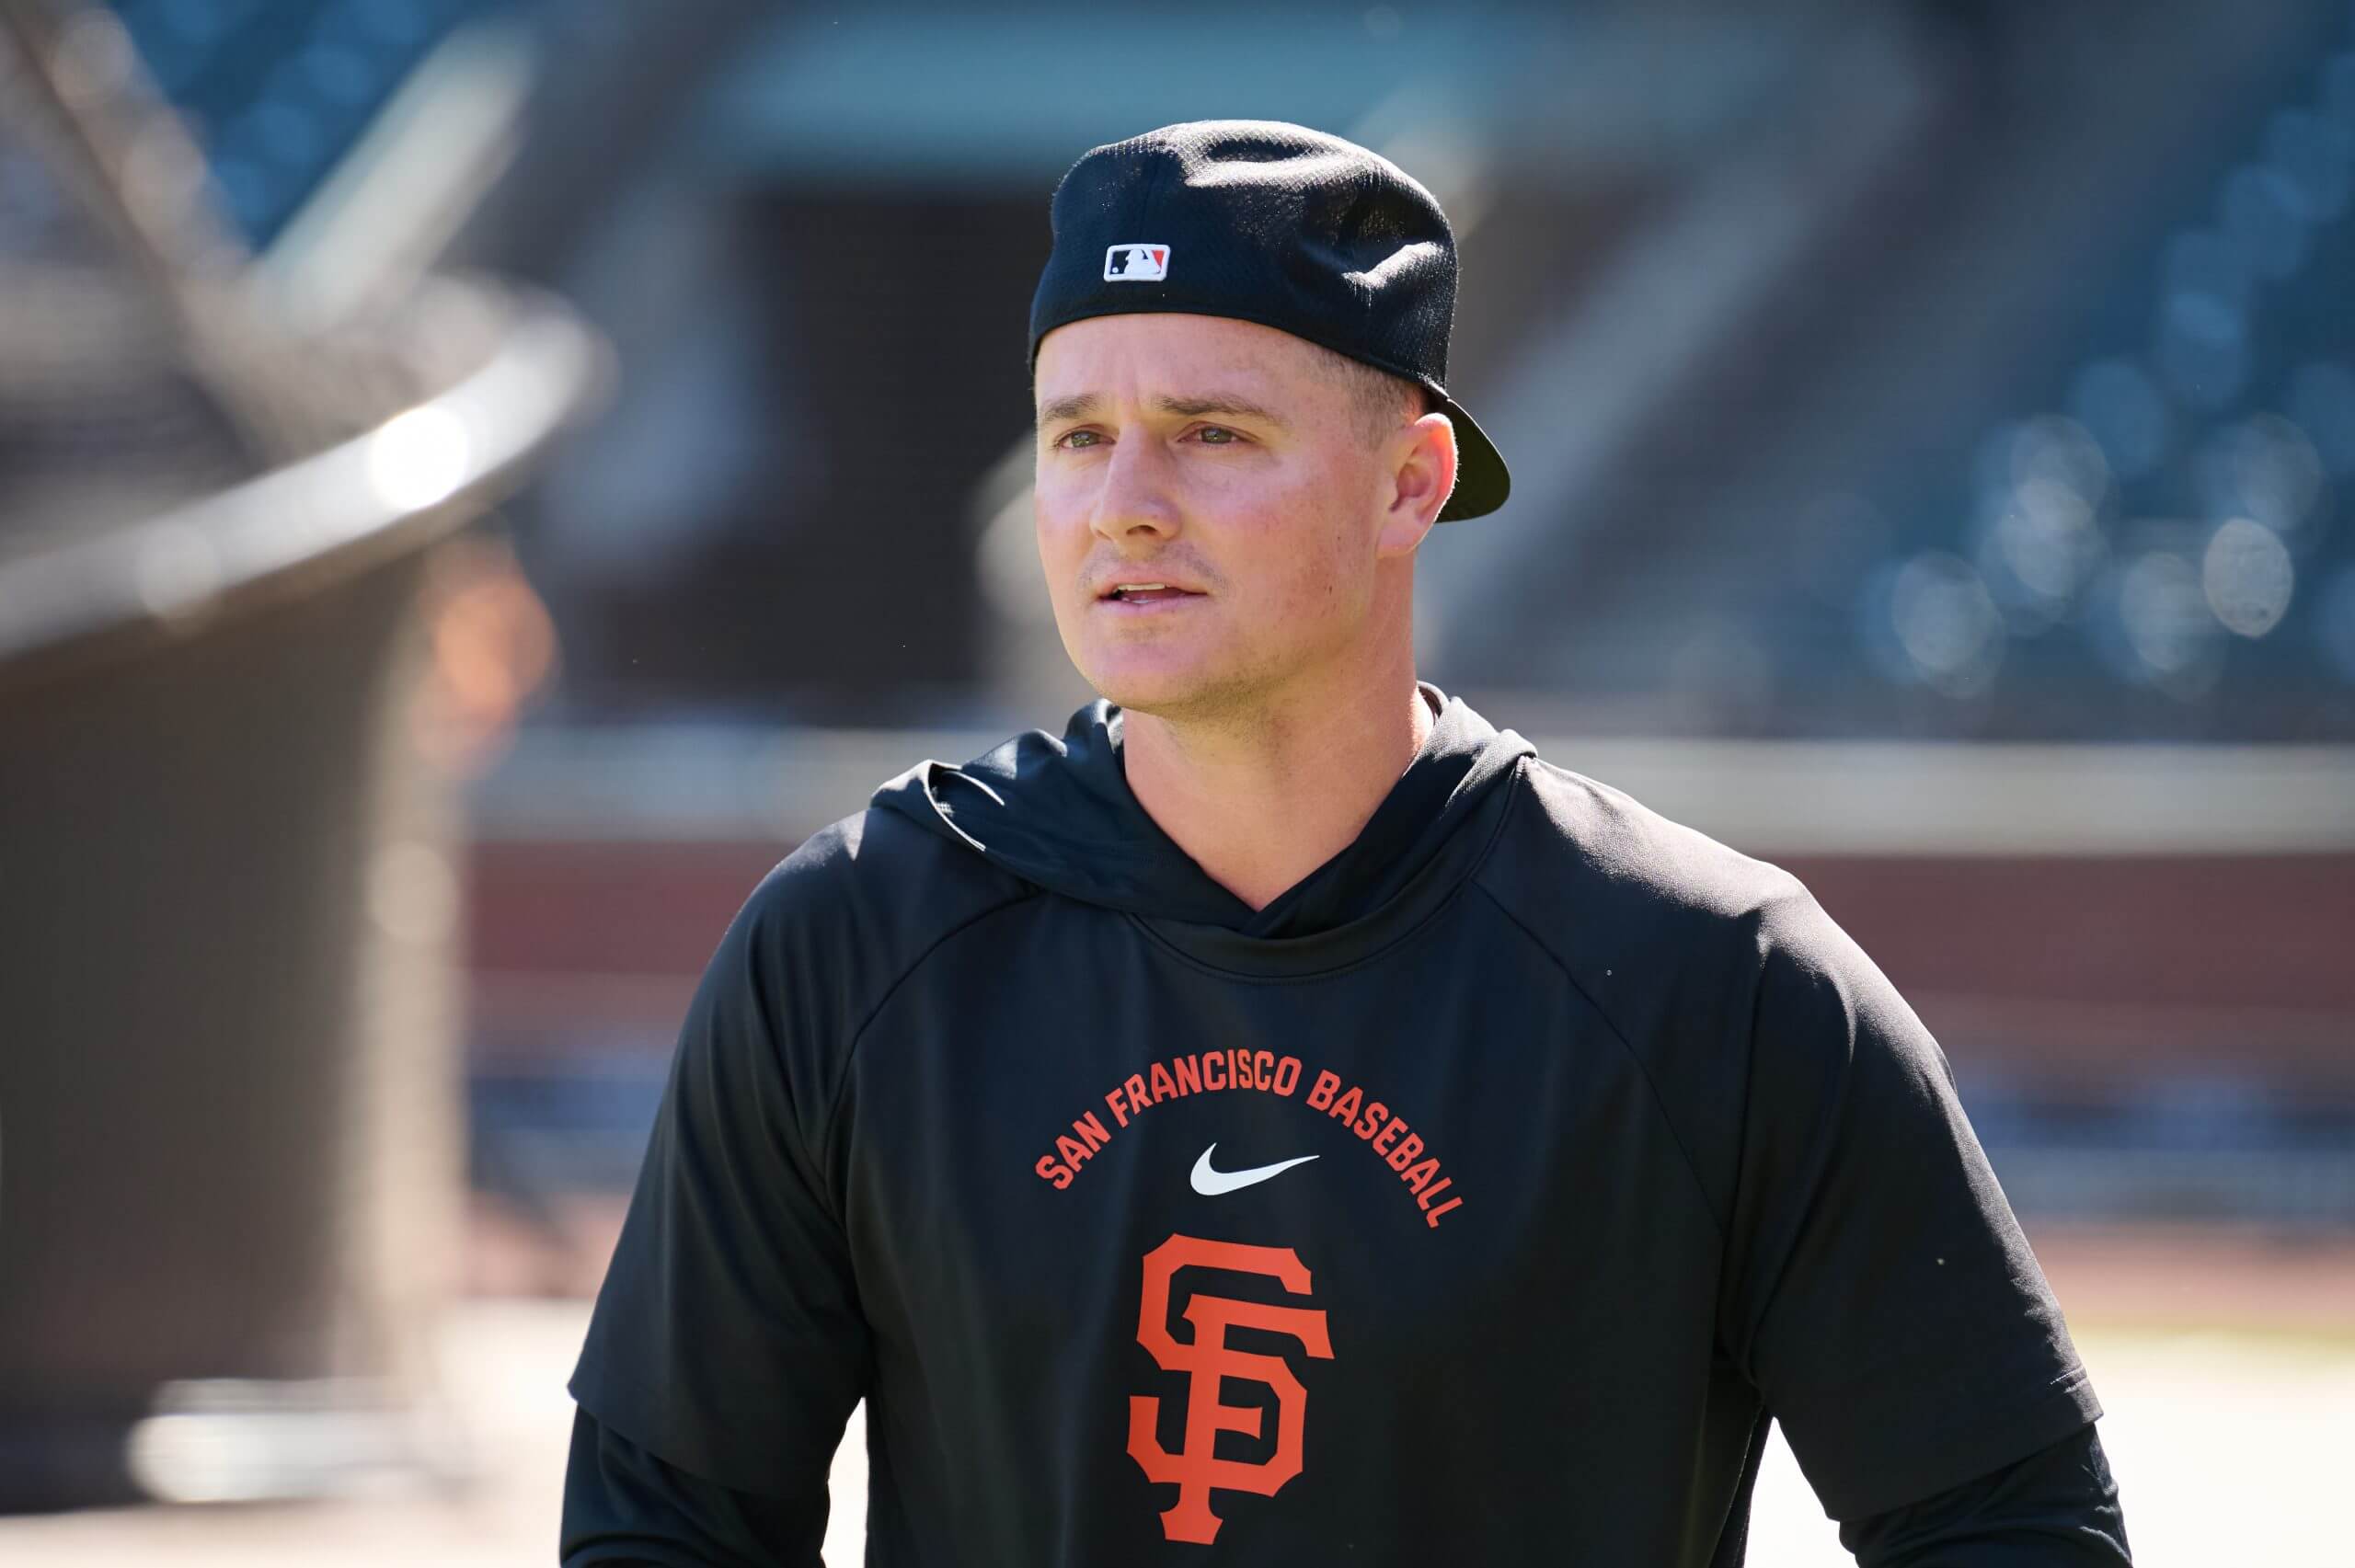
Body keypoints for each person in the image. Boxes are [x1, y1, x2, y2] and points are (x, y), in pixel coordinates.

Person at [558, 120, 2131, 1566]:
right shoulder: (852, 945)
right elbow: (663, 1520)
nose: (1124, 503)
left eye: (1212, 433)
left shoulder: (1710, 979)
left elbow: (2008, 1518)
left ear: (1411, 481)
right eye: (1074, 434)